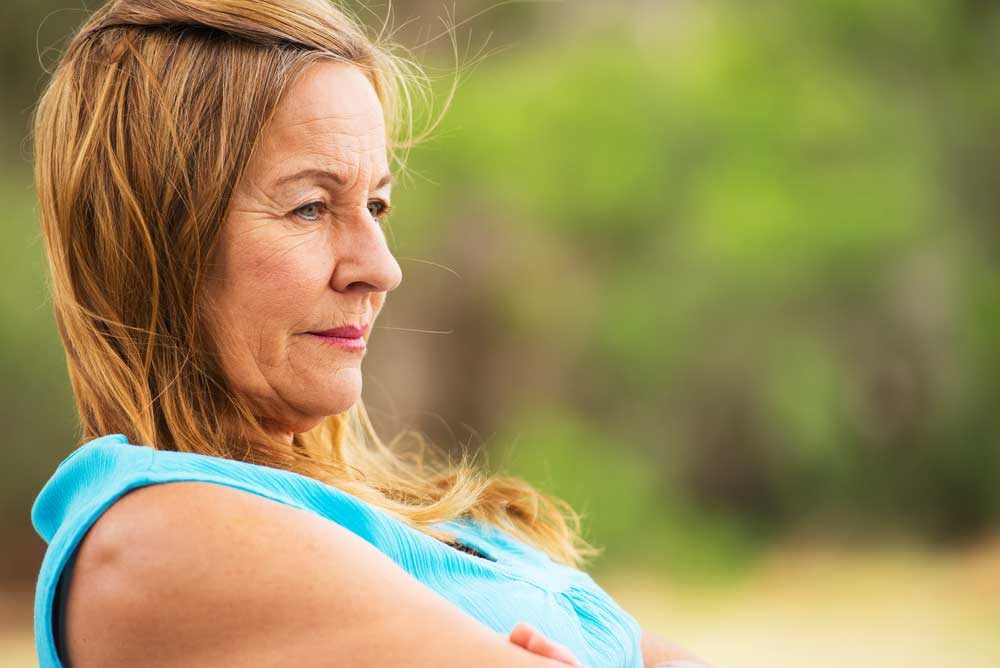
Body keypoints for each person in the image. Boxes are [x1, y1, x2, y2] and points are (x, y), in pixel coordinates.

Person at [29, 1, 712, 666]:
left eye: (376, 204)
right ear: (150, 244)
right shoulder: (150, 539)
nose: (380, 268)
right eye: (310, 206)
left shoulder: (379, 515)